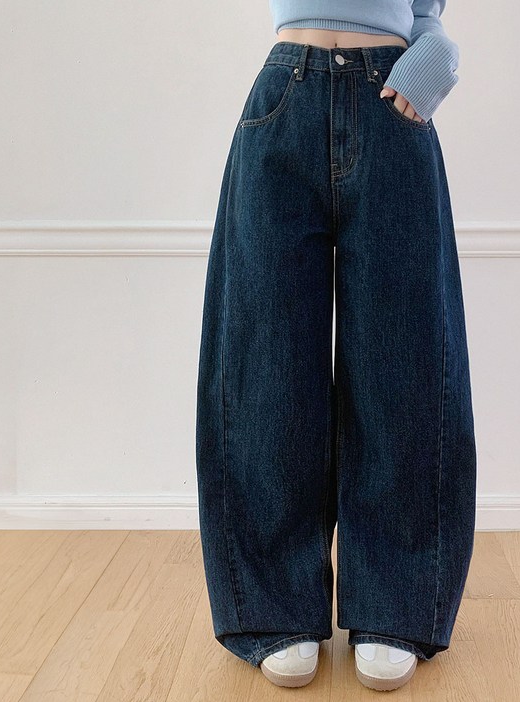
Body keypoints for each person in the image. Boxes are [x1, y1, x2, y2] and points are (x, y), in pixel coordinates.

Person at [195, 0, 476, 692]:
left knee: (404, 362)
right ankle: (274, 607)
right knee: (265, 363)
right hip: (284, 94)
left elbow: (425, 12)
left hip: (394, 101)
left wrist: (438, 52)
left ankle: (394, 607)